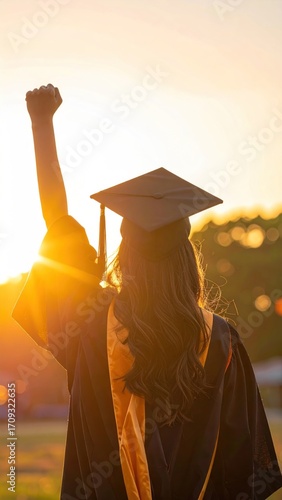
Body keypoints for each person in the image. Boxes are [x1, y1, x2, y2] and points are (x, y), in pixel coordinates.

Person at [13, 84, 282, 500]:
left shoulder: (91, 322)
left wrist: (41, 123)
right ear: (187, 260)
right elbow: (246, 467)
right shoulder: (222, 342)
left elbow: (59, 226)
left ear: (126, 256)